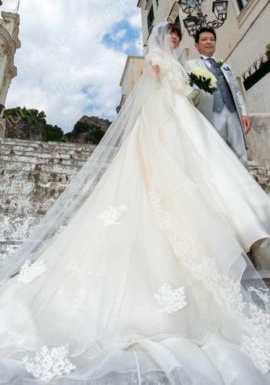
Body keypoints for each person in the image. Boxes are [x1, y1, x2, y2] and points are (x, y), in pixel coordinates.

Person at [0, 21, 270, 385]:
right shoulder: (156, 58)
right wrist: (185, 90)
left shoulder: (183, 61)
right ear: (161, 38)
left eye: (177, 35)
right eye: (171, 34)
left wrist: (191, 91)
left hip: (182, 118)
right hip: (164, 118)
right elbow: (158, 86)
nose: (174, 38)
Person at [187, 26, 250, 164]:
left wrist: (244, 113)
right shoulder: (190, 65)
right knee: (218, 155)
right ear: (197, 45)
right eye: (204, 39)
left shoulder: (226, 66)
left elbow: (236, 90)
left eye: (212, 39)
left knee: (240, 154)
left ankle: (244, 183)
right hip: (211, 114)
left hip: (233, 113)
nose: (209, 42)